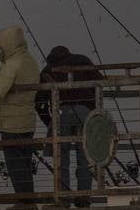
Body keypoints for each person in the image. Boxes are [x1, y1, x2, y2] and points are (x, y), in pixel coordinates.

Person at [0, 25, 41, 203]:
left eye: (1, 45)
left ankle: (23, 201)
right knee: (24, 163)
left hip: (11, 123)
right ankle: (28, 199)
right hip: (27, 121)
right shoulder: (30, 60)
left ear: (8, 43)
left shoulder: (12, 64)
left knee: (15, 165)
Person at [37, 45, 103, 200]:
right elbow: (100, 83)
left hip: (61, 114)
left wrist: (49, 122)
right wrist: (93, 109)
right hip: (85, 112)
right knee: (85, 158)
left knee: (61, 158)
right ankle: (84, 198)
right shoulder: (83, 60)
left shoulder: (48, 70)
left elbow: (39, 103)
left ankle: (64, 198)